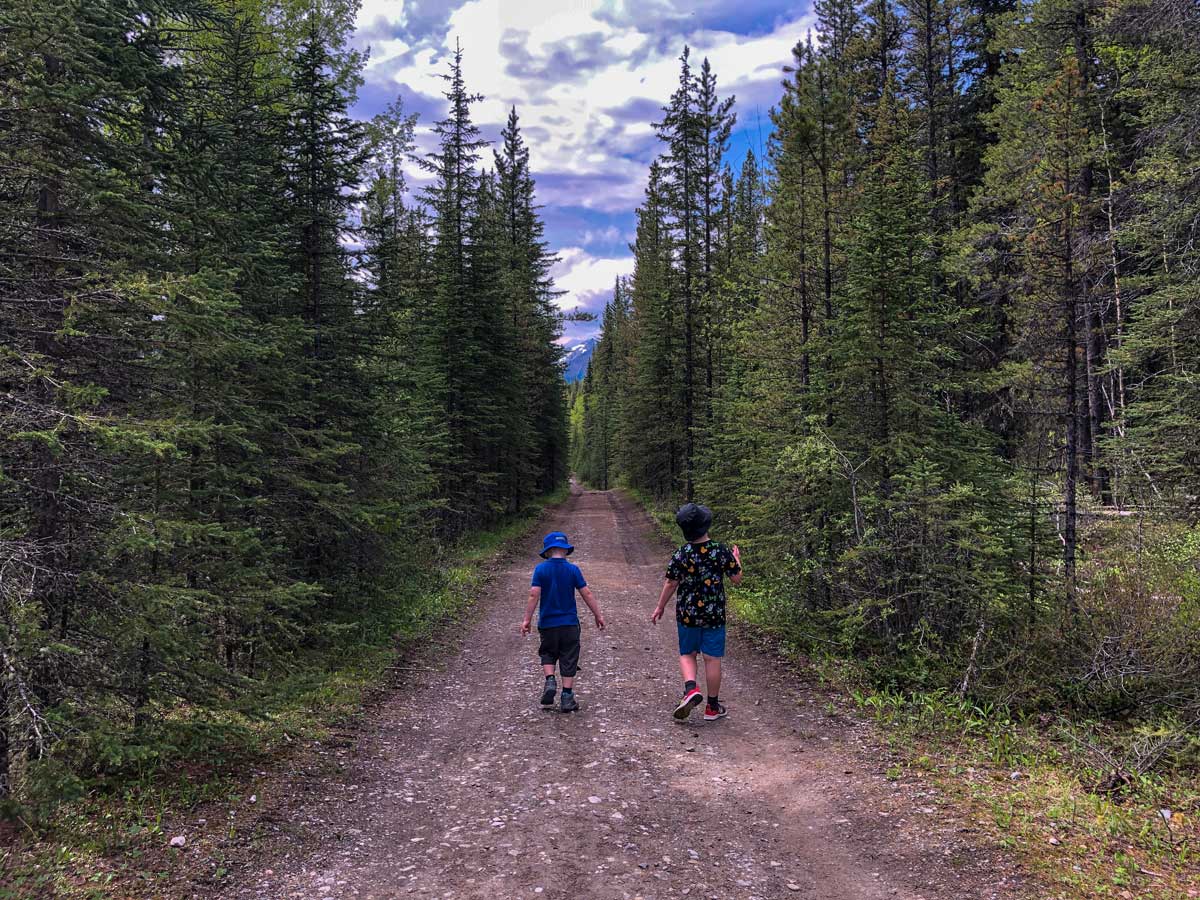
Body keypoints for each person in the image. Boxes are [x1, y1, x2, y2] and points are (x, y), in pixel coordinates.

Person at [650, 503, 742, 722]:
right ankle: (712, 707)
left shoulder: (681, 553)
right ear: (705, 524)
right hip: (714, 615)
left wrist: (660, 606)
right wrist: (736, 559)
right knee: (712, 659)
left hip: (687, 614)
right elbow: (737, 579)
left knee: (687, 654)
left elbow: (671, 582)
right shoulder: (720, 550)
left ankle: (691, 689)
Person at [522, 531, 604, 713]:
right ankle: (567, 696)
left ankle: (550, 680)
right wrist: (598, 614)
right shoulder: (573, 570)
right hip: (569, 624)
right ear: (565, 551)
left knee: (548, 652)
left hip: (548, 624)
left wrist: (527, 619)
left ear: (548, 551)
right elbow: (586, 593)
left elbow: (534, 594)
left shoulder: (540, 570)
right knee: (569, 656)